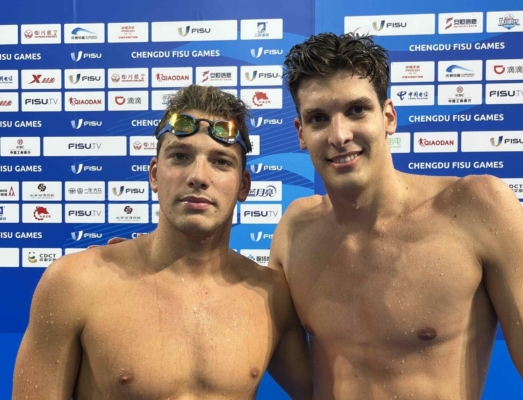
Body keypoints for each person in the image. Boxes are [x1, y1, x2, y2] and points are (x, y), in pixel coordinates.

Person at [267, 33, 523, 399]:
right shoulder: (295, 230)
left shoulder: (475, 208)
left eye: (357, 110)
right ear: (301, 133)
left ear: (388, 117)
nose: (339, 135)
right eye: (319, 118)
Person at [13, 85, 312, 400]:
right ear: (155, 174)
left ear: (243, 185)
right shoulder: (76, 284)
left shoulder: (270, 298)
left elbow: (332, 389)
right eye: (180, 157)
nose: (199, 176)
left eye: (221, 162)